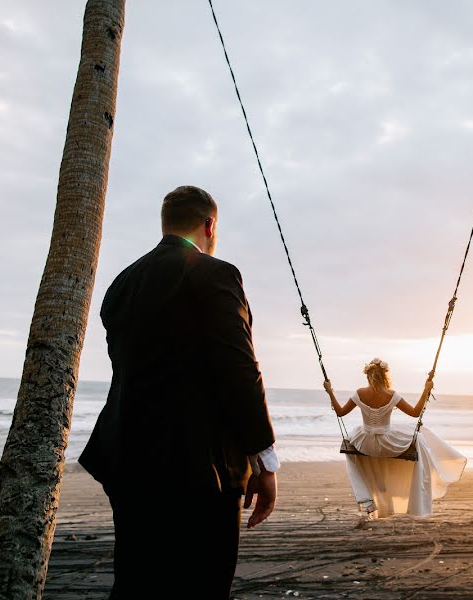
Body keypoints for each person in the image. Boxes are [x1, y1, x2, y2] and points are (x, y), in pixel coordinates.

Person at [79, 186, 278, 599]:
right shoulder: (215, 273)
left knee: (137, 582)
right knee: (202, 585)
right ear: (209, 225)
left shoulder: (123, 284)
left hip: (127, 458)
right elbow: (239, 369)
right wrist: (264, 458)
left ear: (164, 222)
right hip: (198, 470)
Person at [324, 358, 466, 519]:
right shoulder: (392, 395)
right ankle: (437, 467)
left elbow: (340, 412)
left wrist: (330, 391)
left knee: (351, 441)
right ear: (385, 376)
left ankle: (372, 491)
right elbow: (415, 413)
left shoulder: (359, 393)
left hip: (365, 443)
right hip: (387, 444)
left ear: (368, 376)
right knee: (419, 437)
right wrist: (426, 390)